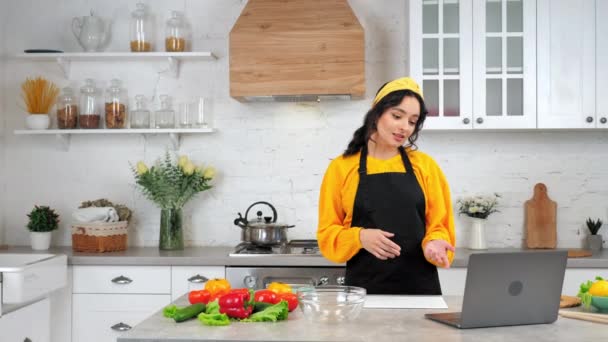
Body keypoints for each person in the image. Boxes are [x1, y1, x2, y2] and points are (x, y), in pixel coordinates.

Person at [317, 77, 456, 295]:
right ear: (377, 113)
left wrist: (435, 243)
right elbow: (327, 234)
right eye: (397, 116)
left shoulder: (425, 166)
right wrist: (359, 237)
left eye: (412, 121)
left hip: (420, 290)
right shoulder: (342, 167)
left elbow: (439, 225)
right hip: (364, 292)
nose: (404, 127)